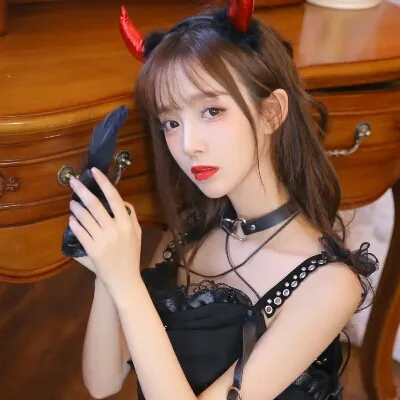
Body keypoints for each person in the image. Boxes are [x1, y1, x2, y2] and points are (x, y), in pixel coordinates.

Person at [66, 1, 378, 399]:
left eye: (212, 111)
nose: (188, 144)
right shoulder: (188, 238)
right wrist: (108, 274)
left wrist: (127, 283)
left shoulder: (328, 284)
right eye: (171, 122)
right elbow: (103, 382)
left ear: (271, 112)